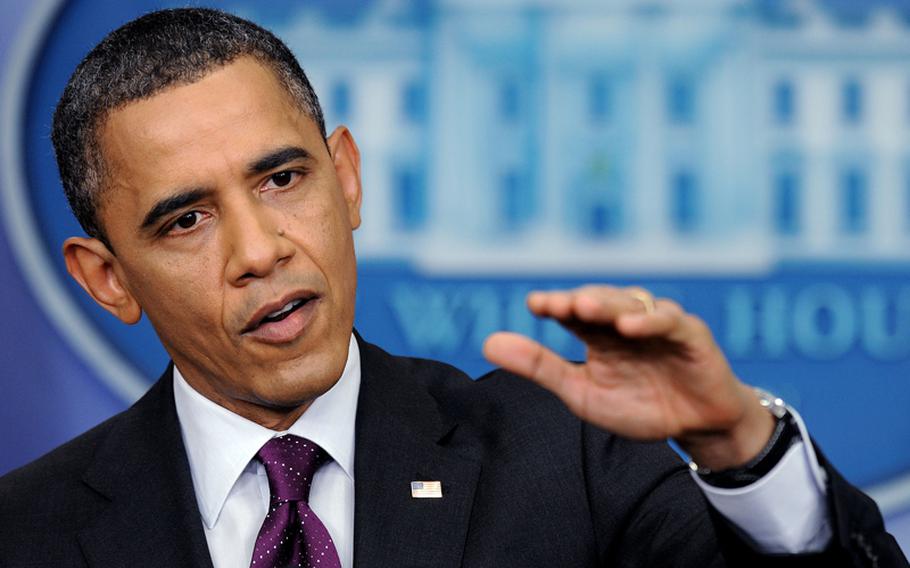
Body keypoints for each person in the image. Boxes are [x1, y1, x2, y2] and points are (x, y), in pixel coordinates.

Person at [0, 8, 904, 568]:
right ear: (107, 279)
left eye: (283, 180)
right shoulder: (25, 533)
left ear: (346, 179)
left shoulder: (568, 459)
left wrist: (738, 443)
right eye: (186, 220)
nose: (259, 250)